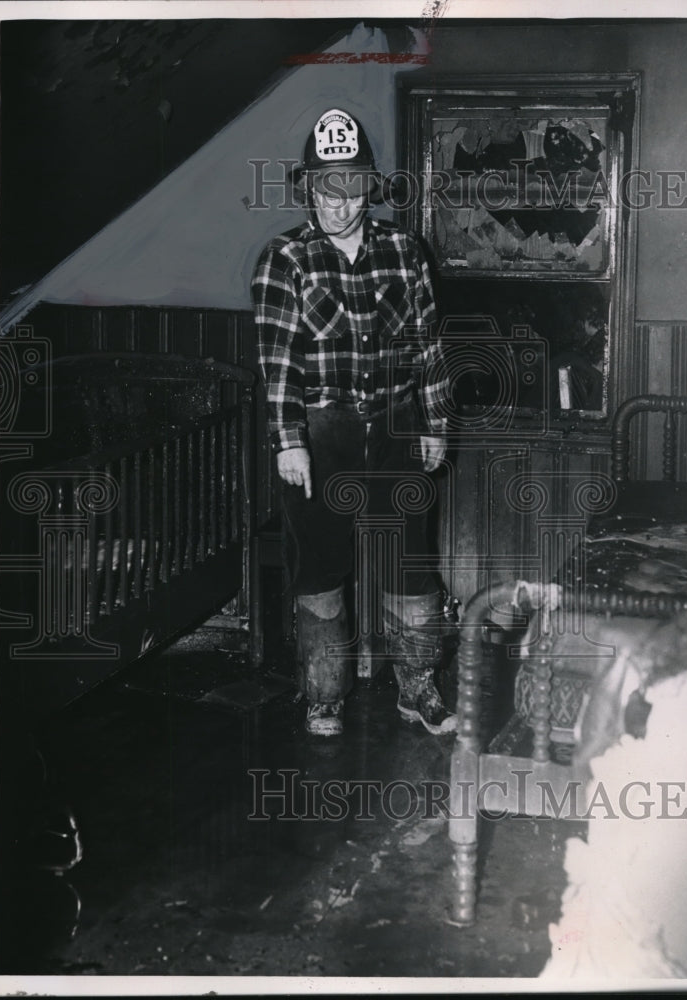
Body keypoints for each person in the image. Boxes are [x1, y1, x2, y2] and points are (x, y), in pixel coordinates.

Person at [251, 107, 455, 738]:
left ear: (369, 186)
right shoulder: (283, 259)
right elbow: (277, 360)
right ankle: (323, 697)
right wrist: (290, 443)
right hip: (321, 432)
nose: (338, 204)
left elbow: (428, 344)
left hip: (395, 426)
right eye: (324, 188)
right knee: (320, 567)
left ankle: (418, 692)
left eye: (351, 187)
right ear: (306, 188)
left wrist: (435, 422)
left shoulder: (403, 249)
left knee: (410, 565)